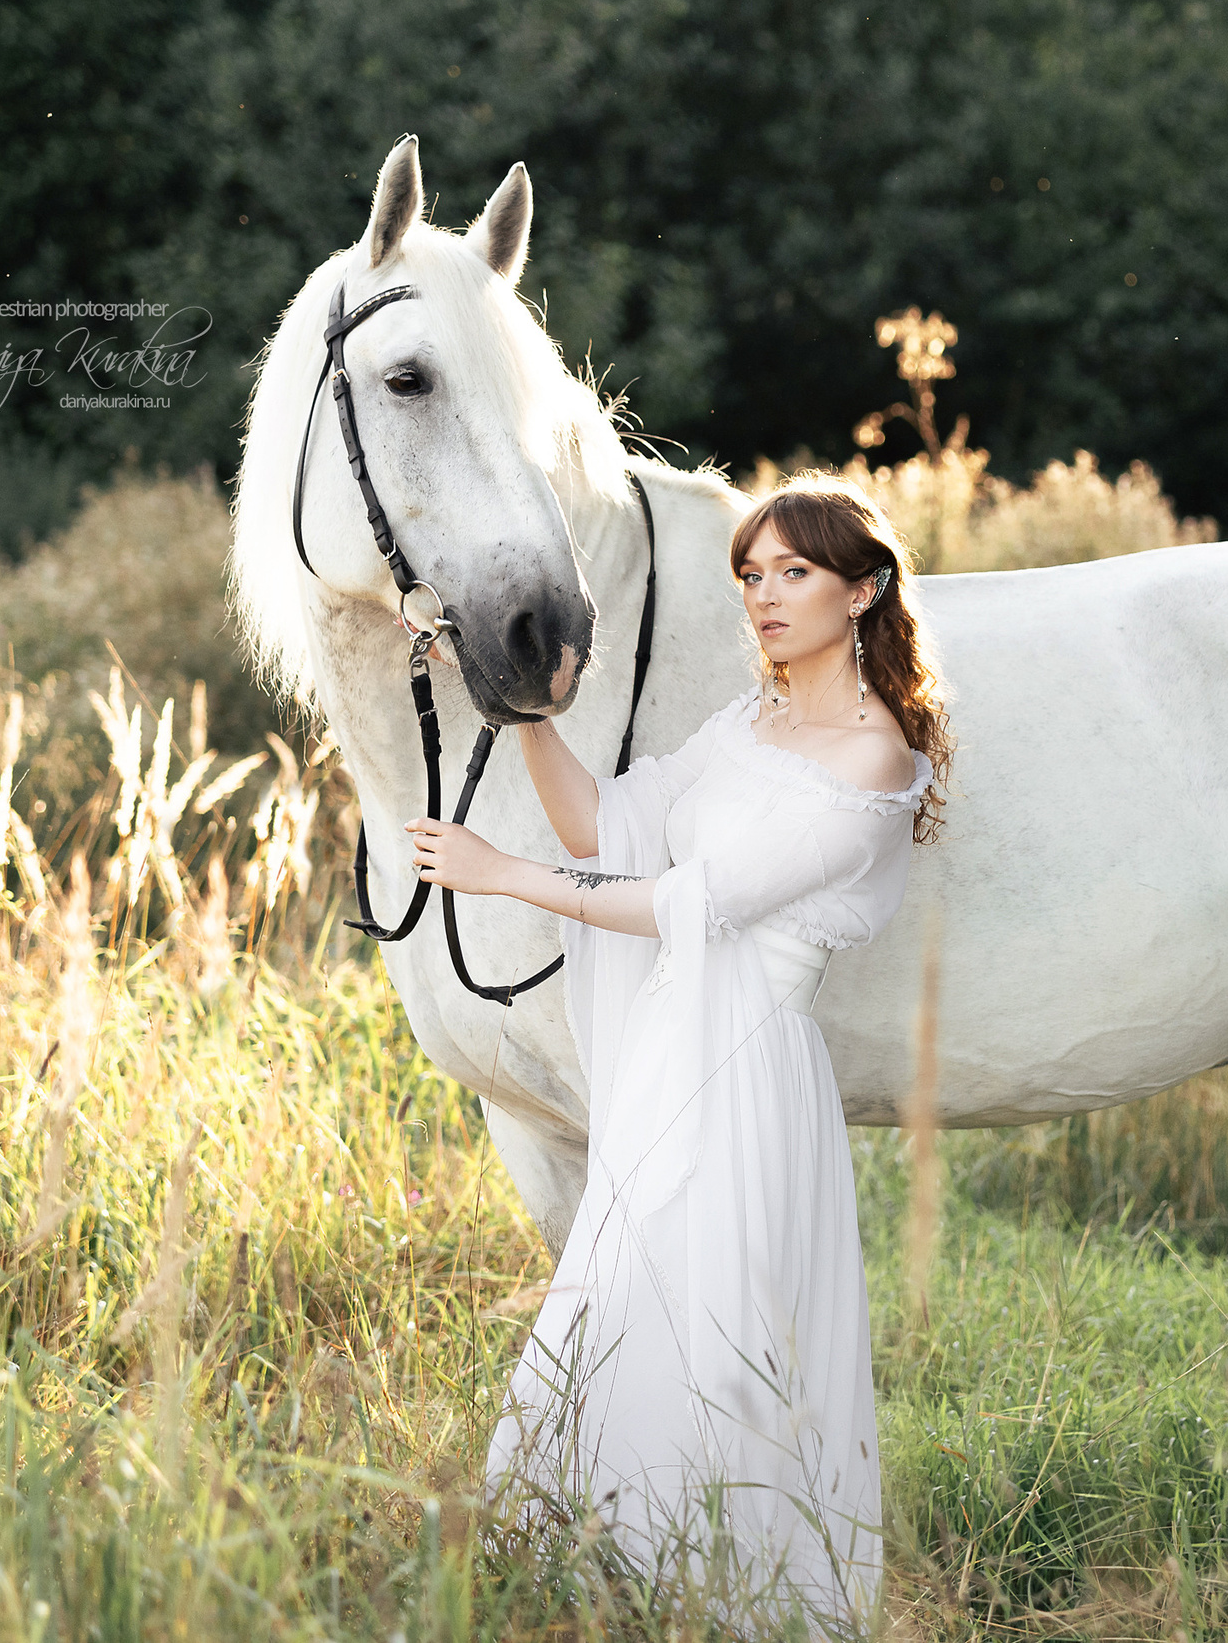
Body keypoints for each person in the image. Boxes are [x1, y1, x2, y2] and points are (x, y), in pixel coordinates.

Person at [403, 477, 952, 1631]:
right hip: (670, 1045)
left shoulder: (873, 760)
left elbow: (695, 901)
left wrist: (497, 873)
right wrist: (515, 706)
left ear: (863, 590)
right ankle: (612, 1572)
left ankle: (737, 1589)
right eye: (750, 573)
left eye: (793, 573)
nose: (763, 595)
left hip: (749, 1064)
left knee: (725, 1317)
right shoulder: (747, 725)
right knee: (623, 1299)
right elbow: (605, 830)